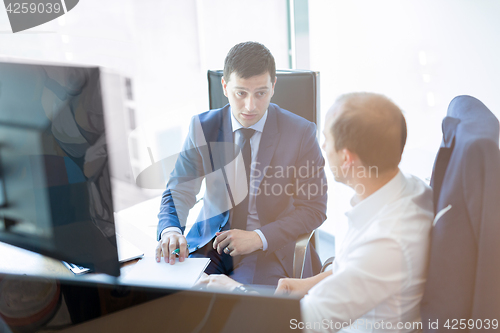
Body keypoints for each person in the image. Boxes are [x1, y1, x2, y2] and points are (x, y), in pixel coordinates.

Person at [198, 92, 434, 332]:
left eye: (326, 140)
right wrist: (308, 284)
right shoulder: (409, 188)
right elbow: (357, 270)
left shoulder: (386, 241)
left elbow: (299, 323)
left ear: (346, 158)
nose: (322, 147)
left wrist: (233, 291)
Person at [156, 41, 327, 286]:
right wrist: (171, 230)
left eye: (261, 93)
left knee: (246, 315)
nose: (250, 106)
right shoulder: (203, 127)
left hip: (268, 251)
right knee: (176, 303)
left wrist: (258, 237)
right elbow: (179, 189)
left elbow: (314, 208)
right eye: (241, 93)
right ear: (225, 86)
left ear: (273, 86)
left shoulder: (301, 133)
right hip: (209, 245)